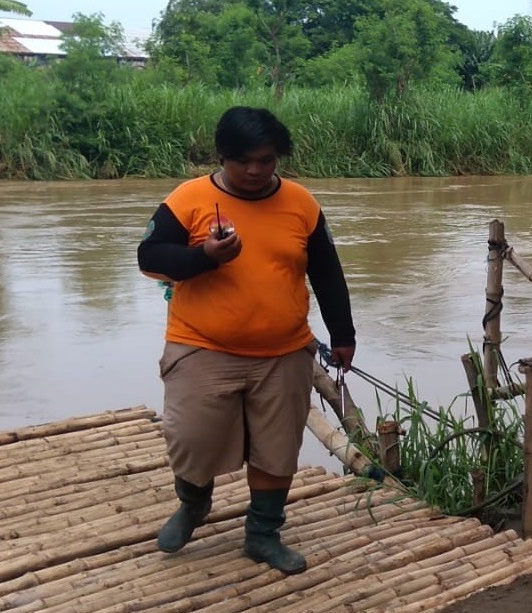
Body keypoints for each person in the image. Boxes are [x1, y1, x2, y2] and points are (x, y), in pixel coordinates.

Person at [137, 106, 356, 575]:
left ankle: (262, 535)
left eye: (266, 160)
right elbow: (150, 257)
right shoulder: (188, 199)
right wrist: (205, 257)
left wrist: (344, 334)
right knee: (191, 440)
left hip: (284, 352)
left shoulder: (301, 204)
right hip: (201, 346)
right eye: (243, 161)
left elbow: (327, 271)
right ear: (222, 156)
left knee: (277, 450)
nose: (255, 170)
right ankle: (193, 504)